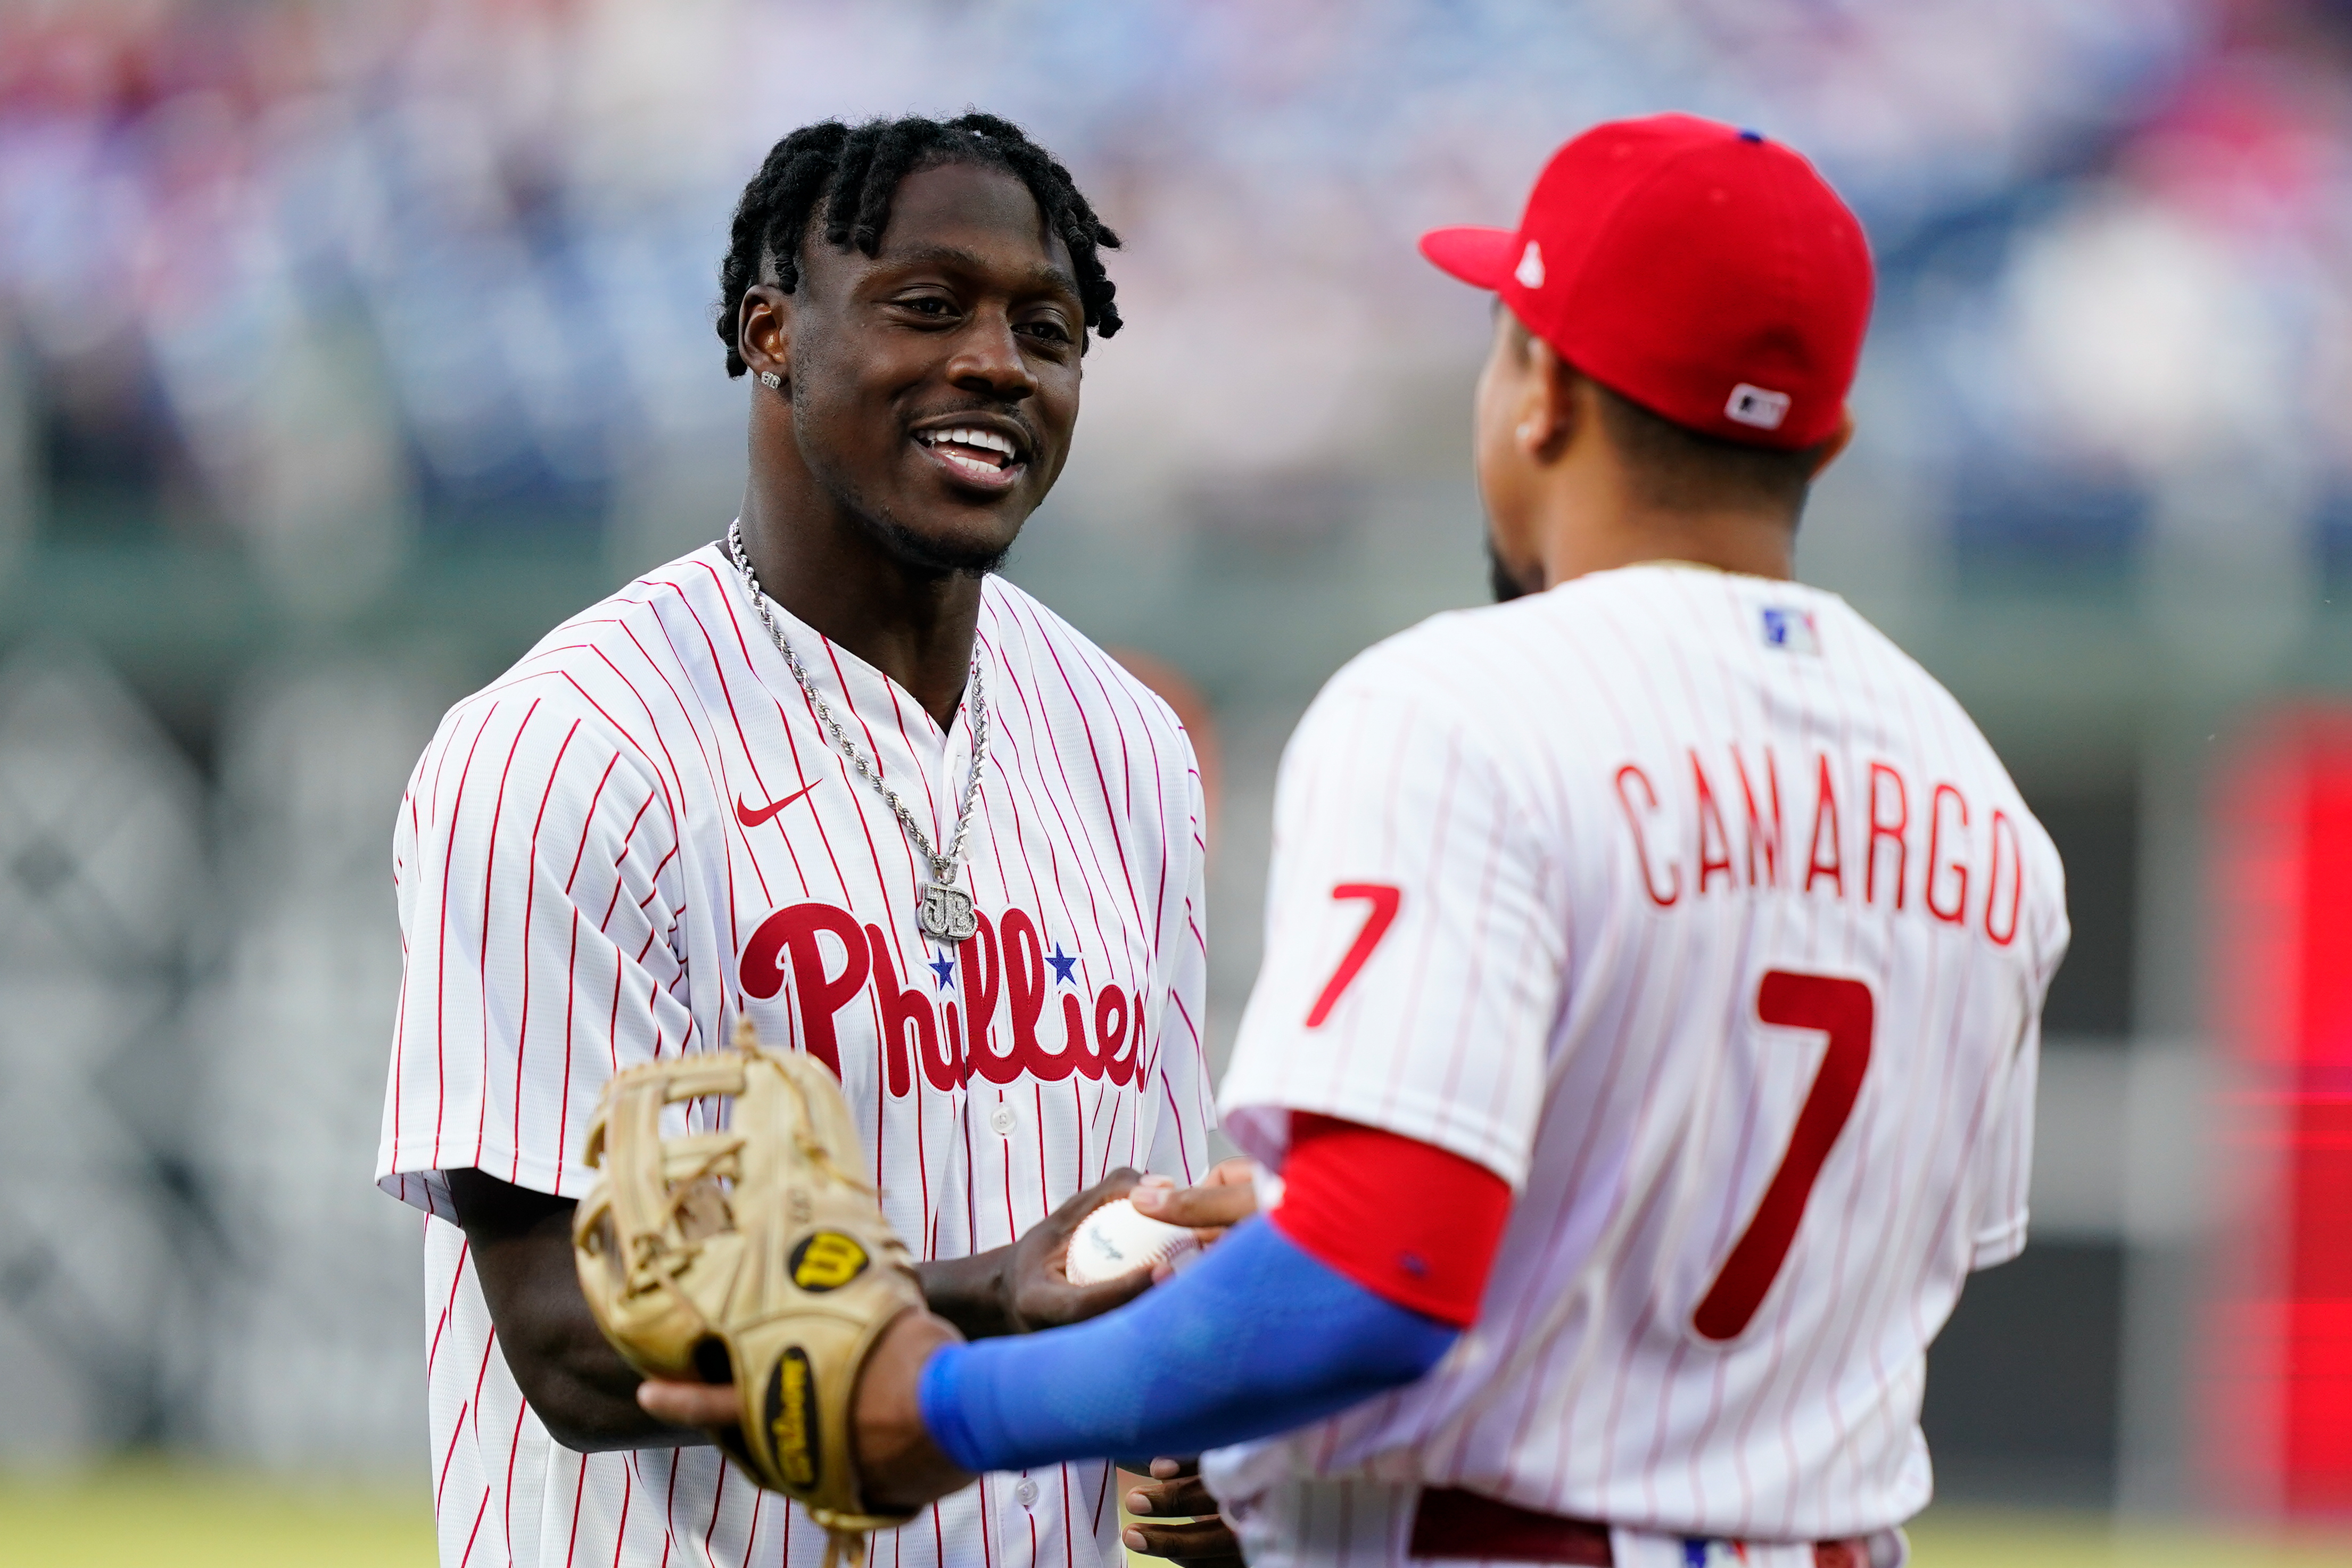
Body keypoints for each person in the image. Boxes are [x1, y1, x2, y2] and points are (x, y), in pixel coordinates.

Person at [651, 113, 2068, 1568]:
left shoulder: (1461, 710)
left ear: (1540, 392)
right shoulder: (1980, 809)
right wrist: (1256, 1416)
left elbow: (1373, 1277)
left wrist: (943, 1405)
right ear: (1824, 437)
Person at [374, 112, 1217, 1568]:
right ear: (771, 332)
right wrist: (978, 1303)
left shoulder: (1124, 742)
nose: (996, 363)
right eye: (927, 306)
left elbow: (1145, 1239)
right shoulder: (572, 746)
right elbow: (567, 1340)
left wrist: (1213, 1452)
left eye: (1048, 326)